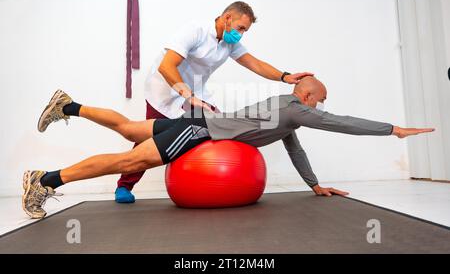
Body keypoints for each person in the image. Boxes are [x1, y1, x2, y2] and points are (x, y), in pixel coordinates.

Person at [24, 77, 434, 219]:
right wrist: (392, 129)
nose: (321, 108)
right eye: (318, 100)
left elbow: (295, 149)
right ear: (306, 96)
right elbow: (339, 124)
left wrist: (314, 185)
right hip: (201, 135)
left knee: (127, 127)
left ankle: (68, 105)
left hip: (197, 124)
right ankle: (44, 180)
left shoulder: (284, 112)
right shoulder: (296, 109)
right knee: (129, 158)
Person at [37, 1, 314, 204]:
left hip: (194, 96)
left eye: (245, 31)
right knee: (135, 138)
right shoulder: (195, 30)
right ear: (227, 17)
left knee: (150, 128)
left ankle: (67, 106)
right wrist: (187, 95)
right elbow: (168, 66)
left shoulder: (229, 43)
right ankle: (125, 185)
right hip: (164, 90)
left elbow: (253, 63)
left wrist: (285, 76)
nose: (240, 34)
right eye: (240, 27)